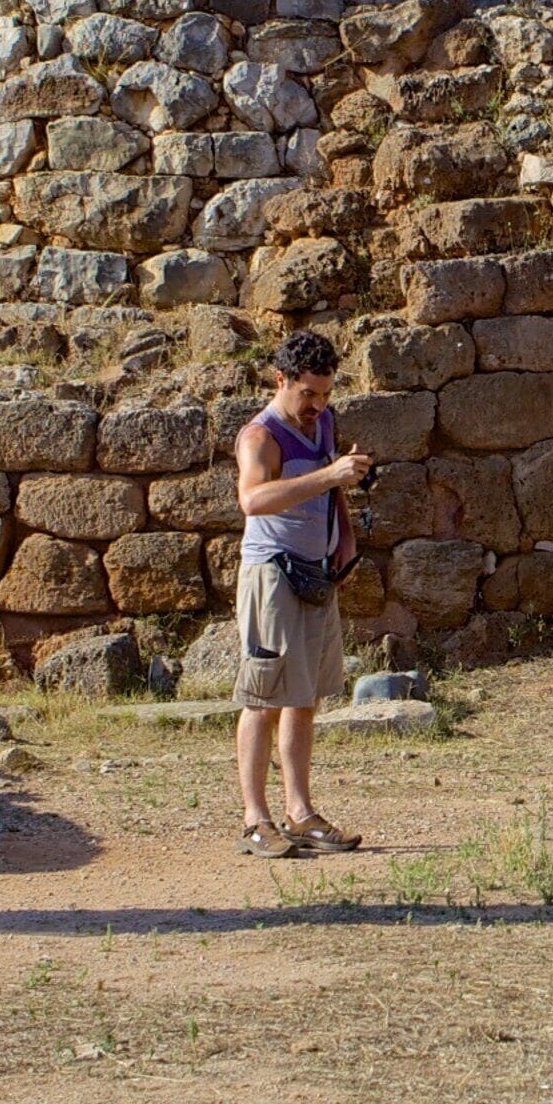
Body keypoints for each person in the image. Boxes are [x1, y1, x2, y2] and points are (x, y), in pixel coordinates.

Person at [231, 329, 371, 858]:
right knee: (263, 698)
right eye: (307, 393)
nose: (317, 404)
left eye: (326, 393)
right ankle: (255, 819)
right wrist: (329, 475)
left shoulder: (324, 423)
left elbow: (331, 487)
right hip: (272, 576)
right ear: (281, 380)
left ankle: (300, 812)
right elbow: (253, 499)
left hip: (316, 571)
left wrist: (346, 536)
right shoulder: (260, 437)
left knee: (304, 697)